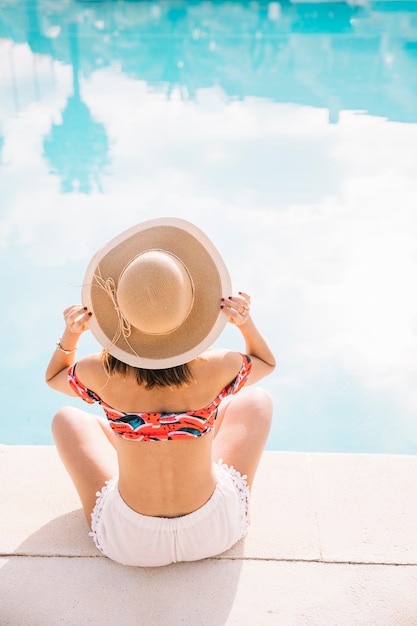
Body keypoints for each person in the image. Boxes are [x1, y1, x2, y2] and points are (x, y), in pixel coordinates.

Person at [46, 217, 275, 567]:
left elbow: (55, 376)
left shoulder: (101, 373)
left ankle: (140, 430)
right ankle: (182, 431)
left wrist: (71, 335)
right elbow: (265, 362)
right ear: (189, 314)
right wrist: (245, 323)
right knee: (255, 402)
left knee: (67, 419)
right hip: (213, 531)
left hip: (131, 543)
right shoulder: (215, 368)